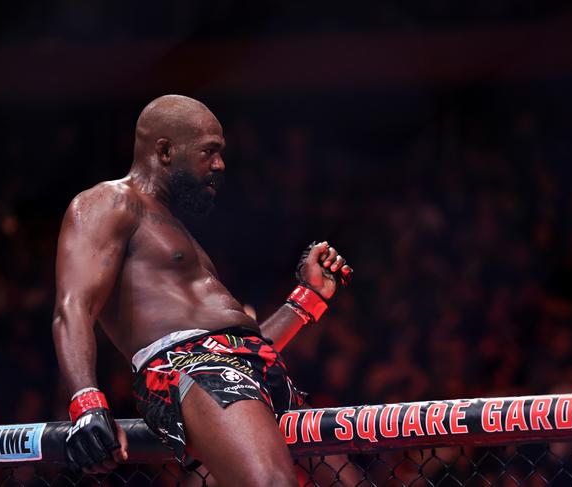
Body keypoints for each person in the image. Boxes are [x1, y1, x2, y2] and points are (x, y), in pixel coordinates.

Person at [52, 95, 353, 487]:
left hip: (249, 369)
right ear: (164, 150)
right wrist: (87, 403)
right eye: (209, 152)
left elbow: (242, 345)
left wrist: (307, 298)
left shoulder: (175, 230)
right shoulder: (109, 203)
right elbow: (73, 307)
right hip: (191, 370)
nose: (219, 165)